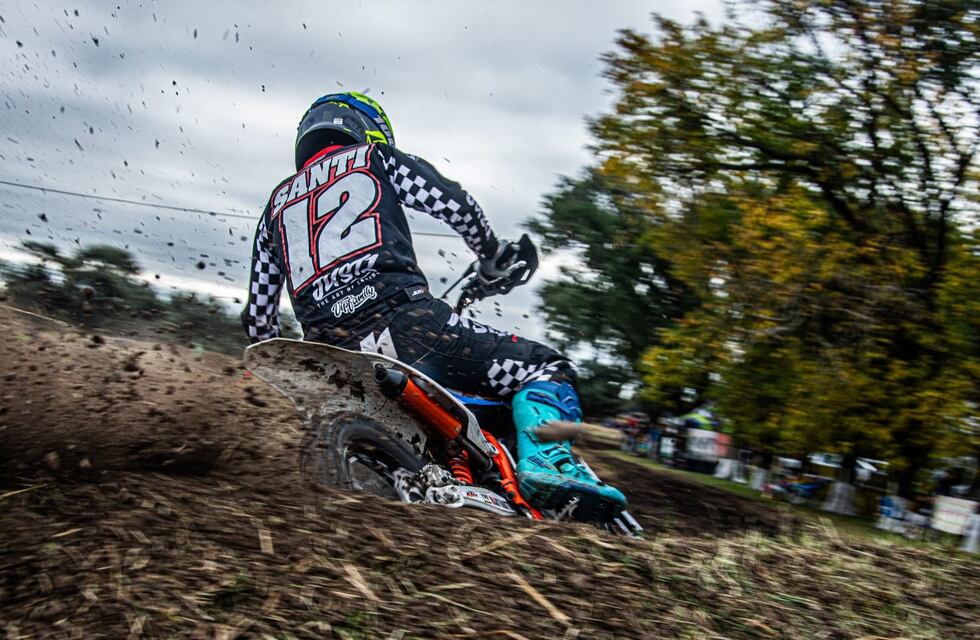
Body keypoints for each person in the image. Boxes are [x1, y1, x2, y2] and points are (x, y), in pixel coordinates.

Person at [241, 92, 626, 520]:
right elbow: (453, 203)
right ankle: (547, 463)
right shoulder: (375, 157)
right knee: (543, 367)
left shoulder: (274, 207)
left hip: (328, 352)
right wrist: (491, 253)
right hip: (411, 326)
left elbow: (259, 315)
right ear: (367, 127)